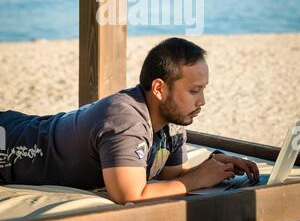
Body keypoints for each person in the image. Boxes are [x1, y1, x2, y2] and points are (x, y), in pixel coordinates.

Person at [0, 37, 259, 204]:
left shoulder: (174, 122)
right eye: (194, 91)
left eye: (203, 89)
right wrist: (196, 180)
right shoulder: (125, 119)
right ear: (159, 89)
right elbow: (129, 195)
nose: (202, 101)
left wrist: (214, 166)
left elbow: (172, 175)